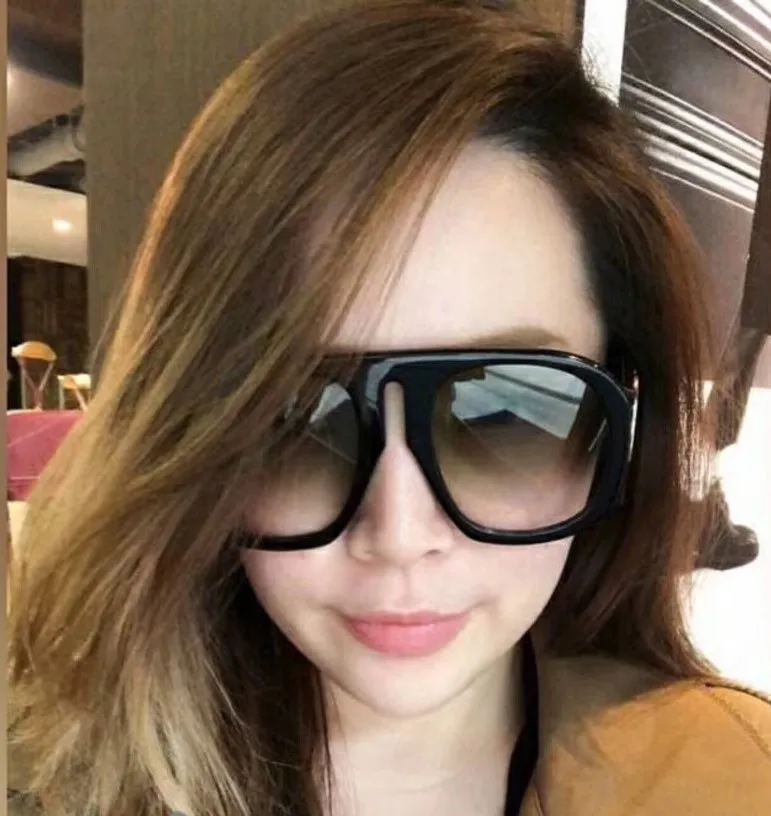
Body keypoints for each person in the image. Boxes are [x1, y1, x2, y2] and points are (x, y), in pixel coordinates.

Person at [8, 2, 771, 815]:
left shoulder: (729, 781)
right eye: (292, 422)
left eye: (508, 417)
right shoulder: (44, 780)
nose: (400, 537)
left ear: (617, 423)